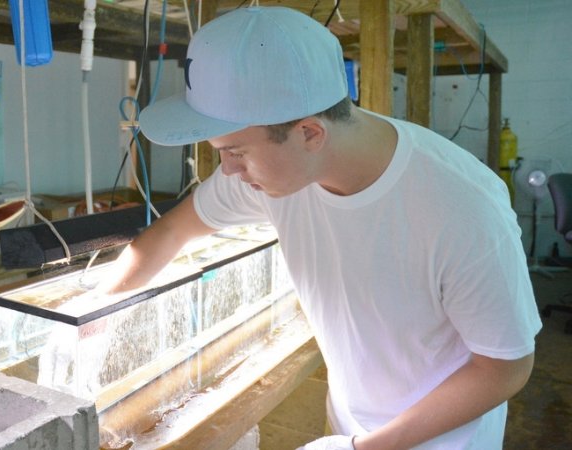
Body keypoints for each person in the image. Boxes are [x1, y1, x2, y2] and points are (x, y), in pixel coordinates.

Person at [99, 7, 541, 450]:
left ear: (310, 133)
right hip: (351, 428)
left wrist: (367, 447)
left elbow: (504, 367)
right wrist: (96, 318)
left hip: (438, 441)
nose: (228, 171)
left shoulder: (460, 208)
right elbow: (173, 231)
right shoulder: (275, 171)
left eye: (235, 152)